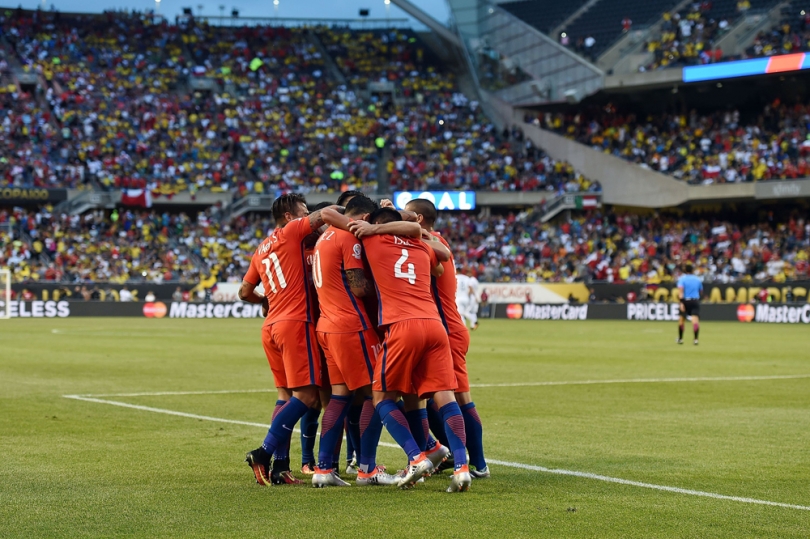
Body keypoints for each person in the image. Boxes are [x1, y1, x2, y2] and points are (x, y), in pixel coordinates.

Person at [336, 207, 472, 492]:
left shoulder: (371, 240)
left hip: (401, 325)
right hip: (435, 326)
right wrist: (415, 230)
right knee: (445, 397)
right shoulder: (420, 245)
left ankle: (416, 457)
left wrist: (371, 228)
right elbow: (444, 254)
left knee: (381, 396)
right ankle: (461, 467)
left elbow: (332, 219)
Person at [239, 194, 337, 486]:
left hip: (270, 326)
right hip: (295, 323)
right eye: (303, 212)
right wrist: (363, 212)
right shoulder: (292, 231)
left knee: (285, 397)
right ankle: (264, 452)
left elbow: (245, 291)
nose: (307, 217)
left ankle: (281, 467)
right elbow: (328, 213)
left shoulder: (260, 249)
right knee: (307, 396)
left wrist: (264, 301)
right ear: (287, 216)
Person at [311, 196, 399, 487]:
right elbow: (359, 287)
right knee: (380, 393)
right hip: (351, 326)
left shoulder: (324, 237)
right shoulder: (349, 237)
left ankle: (323, 469)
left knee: (340, 396)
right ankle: (367, 468)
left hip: (327, 325)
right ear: (361, 216)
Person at [405, 198, 490, 479]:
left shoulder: (428, 244)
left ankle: (476, 464)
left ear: (417, 219)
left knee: (457, 399)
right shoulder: (436, 240)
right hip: (444, 328)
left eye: (404, 213)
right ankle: (448, 452)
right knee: (425, 398)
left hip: (447, 331)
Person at [677, 263, 703, 345]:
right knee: (695, 321)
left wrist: (681, 302)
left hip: (685, 301)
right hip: (695, 301)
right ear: (692, 270)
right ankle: (695, 339)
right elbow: (701, 291)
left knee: (682, 320)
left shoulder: (682, 279)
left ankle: (681, 339)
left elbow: (680, 291)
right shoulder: (697, 279)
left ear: (685, 270)